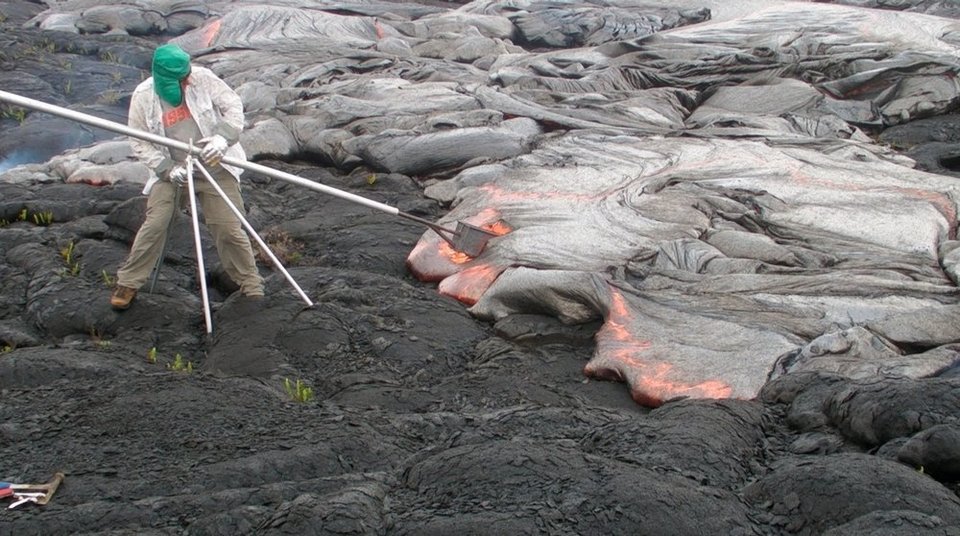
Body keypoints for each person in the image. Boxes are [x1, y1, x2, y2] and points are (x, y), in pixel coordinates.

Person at [110, 43, 264, 310]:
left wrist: (222, 137)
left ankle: (251, 285)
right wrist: (166, 168)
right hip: (173, 170)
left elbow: (233, 105)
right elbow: (138, 140)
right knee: (157, 221)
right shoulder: (144, 96)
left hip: (214, 162)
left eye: (186, 74)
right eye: (181, 78)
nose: (186, 81)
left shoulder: (202, 78)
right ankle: (129, 282)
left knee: (228, 226)